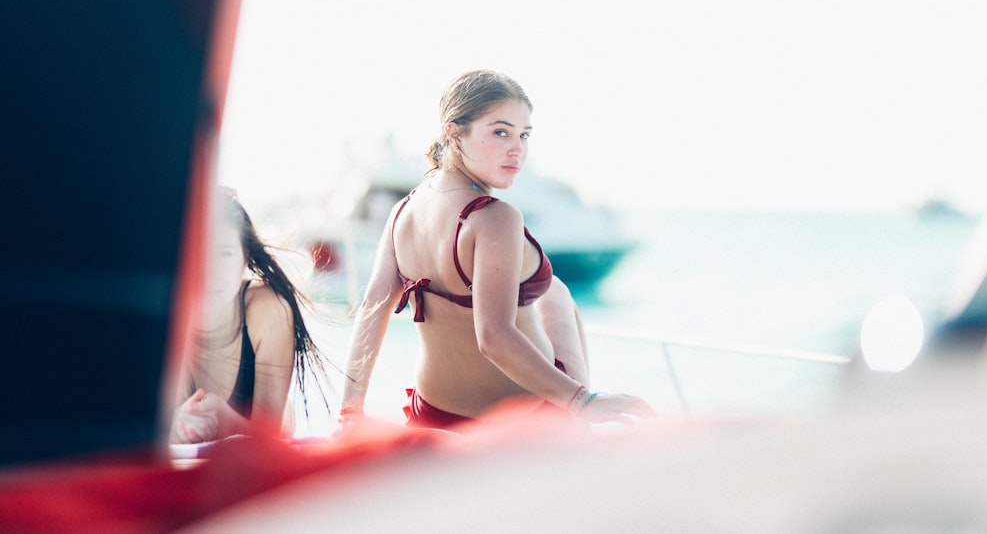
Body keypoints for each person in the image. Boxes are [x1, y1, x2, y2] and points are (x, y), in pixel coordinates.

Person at [340, 70, 654, 429]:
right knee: (556, 292)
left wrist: (349, 412)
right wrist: (584, 401)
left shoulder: (403, 211)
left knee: (552, 292)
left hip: (435, 415)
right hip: (522, 415)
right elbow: (493, 336)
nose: (517, 149)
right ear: (454, 133)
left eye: (524, 135)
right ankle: (579, 427)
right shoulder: (494, 218)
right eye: (500, 132)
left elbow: (371, 310)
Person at [170, 188, 330, 444]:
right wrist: (177, 429)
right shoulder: (162, 317)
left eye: (223, 253)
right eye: (198, 252)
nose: (210, 270)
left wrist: (226, 423)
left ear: (245, 258)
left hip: (261, 434)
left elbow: (270, 438)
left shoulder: (268, 308)